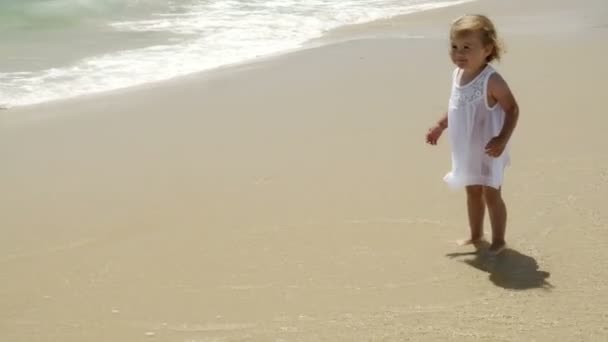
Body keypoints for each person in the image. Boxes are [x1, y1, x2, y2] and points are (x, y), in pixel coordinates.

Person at [425, 14, 519, 255]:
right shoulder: (457, 75)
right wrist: (440, 125)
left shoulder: (492, 80)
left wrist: (502, 139)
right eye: (454, 47)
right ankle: (476, 234)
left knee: (491, 192)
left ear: (487, 49)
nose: (459, 53)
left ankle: (499, 239)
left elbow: (512, 109)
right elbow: (457, 105)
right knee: (472, 190)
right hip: (466, 146)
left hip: (490, 146)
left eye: (467, 47)